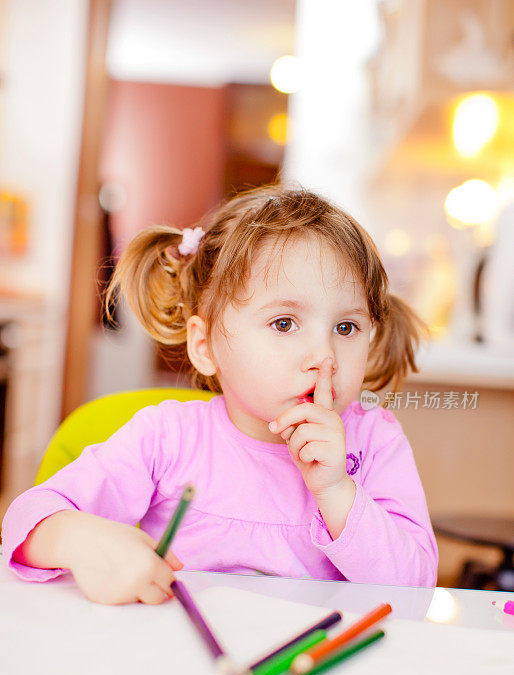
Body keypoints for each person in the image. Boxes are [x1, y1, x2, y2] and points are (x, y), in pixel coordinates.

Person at [1, 185, 438, 603]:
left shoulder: (375, 440)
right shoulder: (166, 439)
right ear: (205, 345)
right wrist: (80, 540)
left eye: (346, 328)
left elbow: (416, 588)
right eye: (284, 323)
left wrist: (338, 490)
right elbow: (25, 520)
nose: (324, 356)